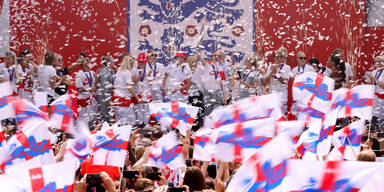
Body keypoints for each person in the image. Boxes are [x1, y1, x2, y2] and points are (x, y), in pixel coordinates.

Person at [113, 55, 139, 126]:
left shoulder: (119, 70)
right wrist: (137, 97)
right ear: (130, 63)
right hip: (123, 97)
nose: (133, 65)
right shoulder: (127, 72)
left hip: (116, 97)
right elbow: (129, 87)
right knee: (128, 121)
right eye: (133, 63)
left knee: (118, 120)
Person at [264, 47, 291, 113]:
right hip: (272, 94)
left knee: (281, 115)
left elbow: (284, 81)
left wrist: (276, 73)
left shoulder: (287, 67)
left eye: (280, 57)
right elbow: (266, 81)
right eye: (276, 56)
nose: (277, 58)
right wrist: (271, 72)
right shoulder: (271, 66)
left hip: (282, 94)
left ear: (283, 58)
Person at [75, 53, 97, 127]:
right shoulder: (80, 74)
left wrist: (95, 84)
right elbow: (79, 89)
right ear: (82, 63)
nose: (89, 62)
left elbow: (95, 85)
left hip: (90, 99)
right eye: (86, 60)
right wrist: (89, 90)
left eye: (89, 60)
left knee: (90, 118)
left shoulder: (92, 73)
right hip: (82, 100)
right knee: (82, 119)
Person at [132, 52, 152, 125]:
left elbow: (150, 81)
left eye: (142, 62)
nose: (141, 63)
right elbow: (133, 81)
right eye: (139, 62)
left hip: (145, 92)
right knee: (137, 109)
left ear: (145, 63)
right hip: (137, 92)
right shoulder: (134, 70)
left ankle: (146, 124)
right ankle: (139, 125)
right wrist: (140, 76)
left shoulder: (148, 70)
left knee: (146, 109)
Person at [367, 56, 384, 134]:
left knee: (381, 119)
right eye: (375, 62)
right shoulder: (374, 72)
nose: (376, 64)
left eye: (378, 62)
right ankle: (374, 133)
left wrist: (374, 79)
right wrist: (370, 80)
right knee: (374, 117)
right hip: (376, 98)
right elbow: (373, 85)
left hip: (382, 98)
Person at [96, 56, 115, 124]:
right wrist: (107, 99)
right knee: (104, 114)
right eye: (112, 60)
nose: (114, 62)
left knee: (109, 114)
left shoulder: (112, 71)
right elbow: (105, 86)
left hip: (109, 94)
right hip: (103, 95)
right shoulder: (104, 71)